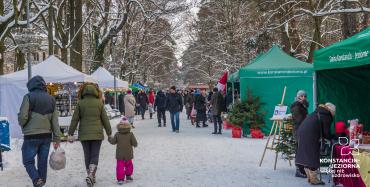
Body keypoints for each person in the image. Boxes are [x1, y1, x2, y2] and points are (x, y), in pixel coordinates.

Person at [18, 76, 62, 187]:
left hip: (31, 136)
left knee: (28, 161)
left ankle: (37, 180)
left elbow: (23, 117)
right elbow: (55, 121)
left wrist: (22, 123)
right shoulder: (51, 99)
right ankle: (41, 182)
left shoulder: (28, 97)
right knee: (42, 162)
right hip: (46, 136)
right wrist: (57, 138)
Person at [68, 83, 112, 187]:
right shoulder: (99, 103)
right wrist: (109, 132)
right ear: (96, 92)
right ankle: (92, 174)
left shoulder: (80, 103)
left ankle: (90, 175)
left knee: (87, 155)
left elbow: (75, 119)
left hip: (84, 134)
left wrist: (70, 133)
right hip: (97, 134)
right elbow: (105, 119)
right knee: (95, 154)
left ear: (83, 91)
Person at [295, 103, 336, 185]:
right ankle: (313, 179)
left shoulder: (317, 112)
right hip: (310, 135)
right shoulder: (326, 115)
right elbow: (326, 133)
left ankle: (310, 178)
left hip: (301, 132)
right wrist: (334, 136)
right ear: (331, 111)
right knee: (313, 154)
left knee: (307, 154)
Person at [108, 118, 138, 185]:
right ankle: (128, 176)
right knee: (129, 164)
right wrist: (135, 145)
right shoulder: (130, 134)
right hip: (128, 153)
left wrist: (109, 138)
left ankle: (120, 179)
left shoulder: (117, 134)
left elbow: (113, 142)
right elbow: (134, 142)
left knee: (120, 166)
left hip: (120, 154)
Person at [290, 90, 309, 178]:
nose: (303, 98)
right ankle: (298, 170)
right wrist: (307, 120)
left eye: (305, 96)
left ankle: (302, 169)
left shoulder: (302, 105)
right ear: (298, 97)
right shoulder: (296, 105)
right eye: (302, 96)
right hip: (298, 130)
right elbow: (298, 119)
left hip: (302, 129)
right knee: (299, 150)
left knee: (302, 149)